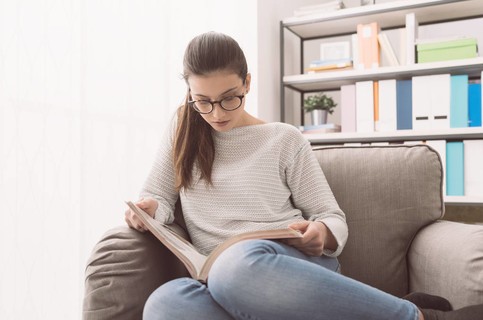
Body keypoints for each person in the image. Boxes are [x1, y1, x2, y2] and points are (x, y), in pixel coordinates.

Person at [125, 31, 483, 320]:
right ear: (190, 92)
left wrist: (322, 234)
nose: (216, 113)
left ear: (247, 83)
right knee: (165, 303)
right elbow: (158, 199)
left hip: (280, 266)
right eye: (202, 100)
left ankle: (413, 316)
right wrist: (147, 210)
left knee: (236, 269)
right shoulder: (182, 129)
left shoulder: (283, 138)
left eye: (229, 98)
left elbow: (331, 217)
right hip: (216, 278)